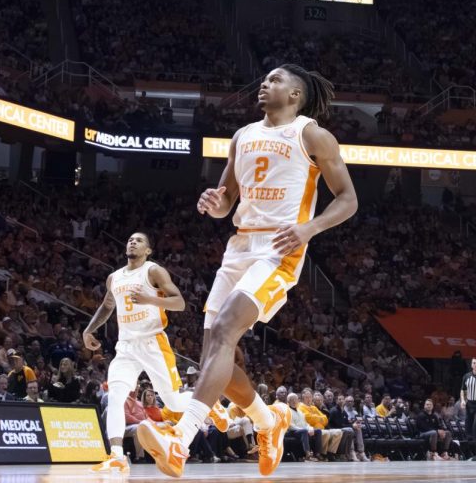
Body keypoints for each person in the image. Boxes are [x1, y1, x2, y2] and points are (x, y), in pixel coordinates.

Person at [134, 65, 358, 478]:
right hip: (238, 246)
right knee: (212, 358)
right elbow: (226, 201)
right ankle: (267, 421)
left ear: (295, 95)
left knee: (223, 333)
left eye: (275, 80)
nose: (264, 84)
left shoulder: (312, 135)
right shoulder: (242, 136)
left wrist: (310, 227)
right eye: (265, 79)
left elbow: (348, 199)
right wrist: (213, 203)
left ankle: (179, 441)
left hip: (279, 250)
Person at [84, 232, 192, 473]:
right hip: (126, 346)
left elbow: (179, 302)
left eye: (139, 240)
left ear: (148, 250)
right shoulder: (114, 277)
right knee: (115, 396)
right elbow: (107, 306)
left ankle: (208, 401)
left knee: (173, 400)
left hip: (153, 341)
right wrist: (88, 330)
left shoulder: (154, 271)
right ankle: (117, 456)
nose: (132, 242)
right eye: (130, 239)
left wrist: (149, 299)